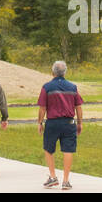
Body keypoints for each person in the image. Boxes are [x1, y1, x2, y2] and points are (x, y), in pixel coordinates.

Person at [37, 60, 84, 190]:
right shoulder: (73, 87)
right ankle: (66, 181)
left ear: (52, 72)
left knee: (48, 148)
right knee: (68, 150)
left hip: (52, 122)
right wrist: (79, 123)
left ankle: (52, 177)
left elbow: (42, 108)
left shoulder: (47, 87)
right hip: (69, 123)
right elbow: (78, 107)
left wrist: (40, 123)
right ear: (65, 72)